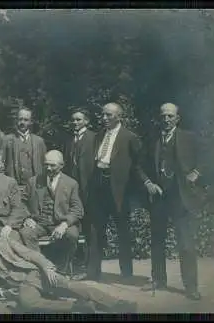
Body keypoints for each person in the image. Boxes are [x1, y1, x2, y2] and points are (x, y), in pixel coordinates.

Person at [0, 223, 138, 313]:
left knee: (73, 287)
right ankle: (77, 308)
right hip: (20, 286)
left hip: (35, 274)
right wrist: (2, 293)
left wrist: (47, 268)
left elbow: (31, 255)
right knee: (29, 304)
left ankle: (118, 304)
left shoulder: (5, 242)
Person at [139, 103, 204, 300]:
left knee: (185, 244)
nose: (166, 119)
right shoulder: (152, 139)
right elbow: (138, 165)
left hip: (181, 197)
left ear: (177, 118)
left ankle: (191, 287)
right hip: (158, 197)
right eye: (163, 116)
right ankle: (158, 279)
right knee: (157, 241)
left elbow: (208, 157)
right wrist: (148, 182)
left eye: (170, 116)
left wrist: (197, 173)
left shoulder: (189, 137)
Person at [81, 102, 149, 282]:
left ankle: (126, 274)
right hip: (99, 188)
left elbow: (138, 166)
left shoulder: (130, 137)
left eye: (109, 115)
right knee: (96, 231)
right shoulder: (99, 135)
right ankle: (93, 272)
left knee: (123, 232)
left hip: (119, 192)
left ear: (119, 116)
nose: (104, 118)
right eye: (103, 115)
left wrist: (135, 193)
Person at [19, 150, 83, 274]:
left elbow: (77, 209)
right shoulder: (33, 181)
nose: (48, 168)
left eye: (52, 165)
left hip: (61, 222)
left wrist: (64, 225)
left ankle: (61, 270)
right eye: (46, 164)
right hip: (40, 223)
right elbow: (21, 203)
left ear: (62, 165)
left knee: (72, 235)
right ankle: (40, 268)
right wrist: (26, 218)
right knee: (26, 232)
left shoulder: (71, 183)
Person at [64, 108, 96, 279]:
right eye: (73, 120)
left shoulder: (94, 138)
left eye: (78, 120)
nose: (75, 123)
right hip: (73, 191)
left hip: (89, 191)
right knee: (74, 228)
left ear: (86, 121)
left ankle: (89, 267)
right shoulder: (69, 141)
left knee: (90, 229)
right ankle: (74, 266)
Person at [2, 108, 47, 199]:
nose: (22, 122)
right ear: (16, 120)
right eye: (20, 119)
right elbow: (1, 164)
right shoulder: (7, 140)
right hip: (14, 186)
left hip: (34, 186)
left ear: (31, 122)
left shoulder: (39, 141)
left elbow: (44, 165)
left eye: (26, 120)